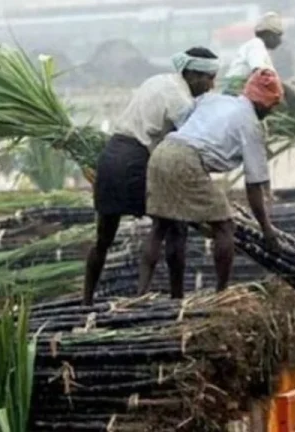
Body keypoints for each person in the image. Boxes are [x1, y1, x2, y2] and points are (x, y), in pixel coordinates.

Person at [82, 47, 220, 306]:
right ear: (192, 75)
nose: (211, 86)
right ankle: (164, 297)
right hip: (137, 160)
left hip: (111, 155)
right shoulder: (182, 102)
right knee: (171, 226)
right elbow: (187, 146)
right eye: (209, 78)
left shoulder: (157, 80)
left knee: (104, 237)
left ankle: (86, 301)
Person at [137, 69, 283, 297]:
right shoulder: (251, 126)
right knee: (224, 226)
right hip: (186, 159)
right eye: (272, 106)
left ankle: (141, 292)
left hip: (161, 153)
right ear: (264, 103)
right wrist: (267, 229)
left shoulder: (214, 99)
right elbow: (254, 186)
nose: (271, 111)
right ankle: (221, 294)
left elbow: (183, 120)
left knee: (160, 225)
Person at [221, 12, 284, 91]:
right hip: (237, 89)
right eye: (278, 36)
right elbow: (259, 72)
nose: (280, 41)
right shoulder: (256, 45)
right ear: (269, 34)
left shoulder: (260, 48)